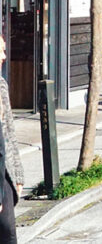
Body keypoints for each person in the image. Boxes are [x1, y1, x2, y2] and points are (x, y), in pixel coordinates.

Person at [0, 33, 24, 244]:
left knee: (8, 232)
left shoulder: (1, 86)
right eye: (0, 50)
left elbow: (9, 132)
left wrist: (17, 175)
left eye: (4, 50)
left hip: (4, 171)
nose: (4, 56)